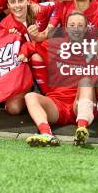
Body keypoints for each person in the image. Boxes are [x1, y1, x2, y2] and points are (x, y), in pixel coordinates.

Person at [22, 12, 86, 147]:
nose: (76, 28)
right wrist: (23, 54)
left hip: (80, 104)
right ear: (66, 28)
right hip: (57, 104)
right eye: (72, 25)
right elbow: (30, 45)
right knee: (30, 96)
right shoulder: (55, 45)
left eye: (80, 26)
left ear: (86, 29)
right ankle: (47, 134)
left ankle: (82, 129)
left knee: (87, 83)